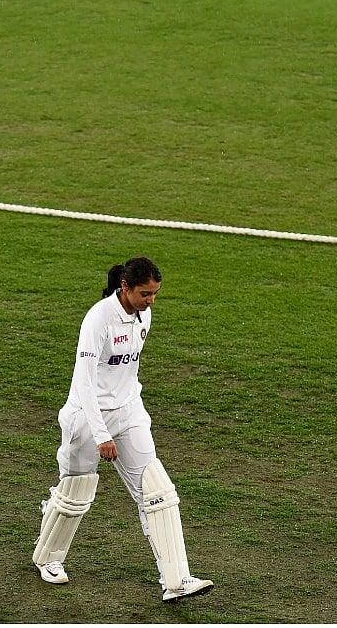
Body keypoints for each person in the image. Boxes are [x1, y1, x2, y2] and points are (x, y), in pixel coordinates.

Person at [32, 257, 214, 602]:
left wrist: (122, 415)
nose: (151, 301)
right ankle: (49, 558)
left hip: (129, 412)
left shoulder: (144, 313)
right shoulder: (98, 318)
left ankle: (176, 580)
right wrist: (101, 434)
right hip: (87, 418)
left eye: (156, 294)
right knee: (76, 492)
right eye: (146, 293)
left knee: (157, 490)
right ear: (125, 287)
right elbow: (84, 381)